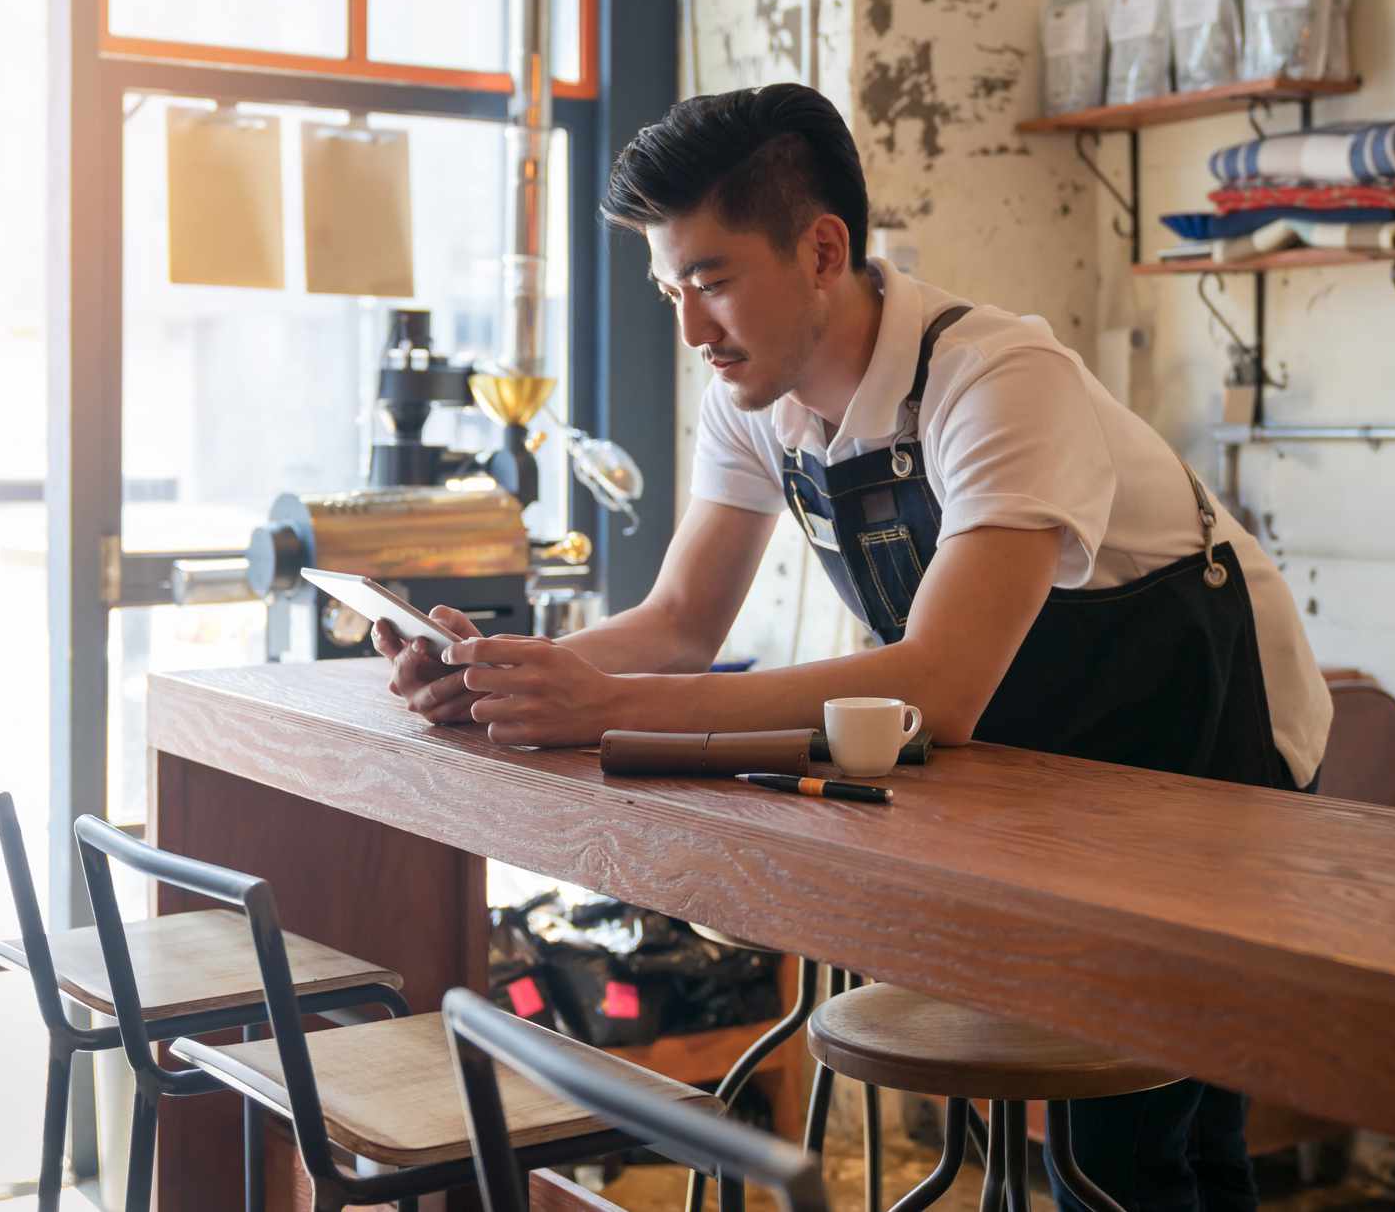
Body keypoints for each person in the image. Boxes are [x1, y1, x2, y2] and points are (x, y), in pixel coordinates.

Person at [373, 83, 1330, 1212]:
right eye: (669, 286)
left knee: (1144, 1142)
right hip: (1045, 762)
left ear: (823, 248)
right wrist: (513, 674)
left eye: (712, 279)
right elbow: (683, 622)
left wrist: (601, 705)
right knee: (1086, 1128)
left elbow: (939, 686)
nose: (689, 328)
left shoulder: (1000, 380)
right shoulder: (755, 398)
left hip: (1205, 750)